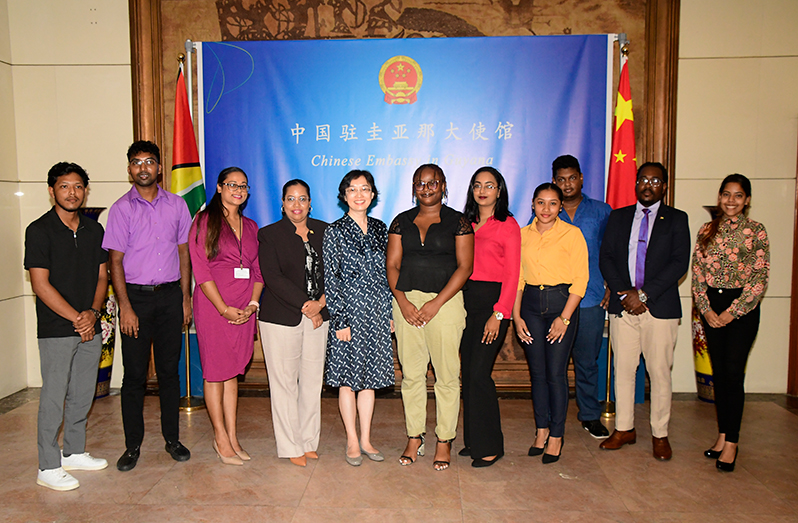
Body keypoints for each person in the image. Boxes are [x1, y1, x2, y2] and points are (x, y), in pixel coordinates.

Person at [103, 140, 193, 472]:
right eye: (137, 162)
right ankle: (132, 445)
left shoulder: (177, 205)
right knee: (135, 377)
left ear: (159, 167)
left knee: (170, 373)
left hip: (171, 297)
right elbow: (115, 262)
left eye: (150, 161)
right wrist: (124, 306)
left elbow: (184, 253)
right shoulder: (121, 209)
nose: (143, 168)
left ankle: (172, 439)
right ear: (129, 169)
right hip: (135, 300)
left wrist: (185, 298)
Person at [25, 162, 109, 491]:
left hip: (90, 323)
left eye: (77, 186)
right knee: (54, 395)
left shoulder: (94, 230)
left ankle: (73, 451)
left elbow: (102, 276)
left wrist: (91, 312)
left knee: (83, 393)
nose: (71, 192)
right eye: (64, 186)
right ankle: (47, 465)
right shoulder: (39, 230)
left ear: (85, 191)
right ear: (51, 191)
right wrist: (77, 318)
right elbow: (40, 284)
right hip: (58, 328)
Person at [599, 162, 690, 461]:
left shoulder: (677, 219)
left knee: (659, 372)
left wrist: (644, 294)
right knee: (623, 370)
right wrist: (625, 293)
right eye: (643, 180)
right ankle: (624, 429)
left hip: (659, 307)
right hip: (623, 306)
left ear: (664, 186)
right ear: (635, 183)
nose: (648, 185)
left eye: (655, 180)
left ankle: (659, 434)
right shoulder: (619, 217)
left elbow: (678, 263)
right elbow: (607, 258)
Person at [387, 163, 474, 471]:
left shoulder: (458, 222)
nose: (426, 188)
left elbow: (465, 267)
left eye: (432, 183)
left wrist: (437, 302)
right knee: (411, 375)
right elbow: (393, 265)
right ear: (414, 187)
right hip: (406, 302)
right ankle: (414, 437)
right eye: (420, 184)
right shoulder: (400, 222)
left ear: (443, 185)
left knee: (447, 377)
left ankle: (444, 440)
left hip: (446, 304)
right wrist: (403, 301)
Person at [692, 174, 769, 472]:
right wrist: (707, 309)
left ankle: (733, 443)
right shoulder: (707, 230)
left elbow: (759, 279)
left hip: (742, 310)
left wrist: (731, 313)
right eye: (726, 194)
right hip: (712, 306)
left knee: (734, 375)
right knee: (720, 373)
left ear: (747, 200)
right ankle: (722, 435)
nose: (731, 200)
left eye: (738, 195)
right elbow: (697, 274)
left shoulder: (756, 231)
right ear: (719, 196)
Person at [189, 167, 264, 466]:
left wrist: (253, 304)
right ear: (219, 188)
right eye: (231, 184)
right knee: (215, 373)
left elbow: (258, 271)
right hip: (213, 307)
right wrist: (223, 308)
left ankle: (233, 436)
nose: (238, 189)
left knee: (233, 373)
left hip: (245, 309)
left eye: (243, 185)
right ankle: (219, 437)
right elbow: (201, 269)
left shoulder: (252, 226)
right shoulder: (204, 221)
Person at [323, 170, 395, 466]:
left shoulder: (381, 228)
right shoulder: (334, 231)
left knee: (369, 380)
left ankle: (366, 438)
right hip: (348, 312)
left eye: (365, 189)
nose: (359, 195)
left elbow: (390, 273)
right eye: (352, 190)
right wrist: (340, 321)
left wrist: (389, 313)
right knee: (346, 380)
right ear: (344, 196)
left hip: (377, 310)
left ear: (373, 194)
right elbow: (331, 279)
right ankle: (352, 441)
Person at [514, 183, 588, 464]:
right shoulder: (522, 235)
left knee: (556, 373)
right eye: (541, 203)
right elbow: (518, 279)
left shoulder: (572, 234)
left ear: (560, 206)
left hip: (561, 304)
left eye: (553, 203)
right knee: (537, 373)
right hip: (530, 306)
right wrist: (517, 316)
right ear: (532, 204)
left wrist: (565, 318)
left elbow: (581, 280)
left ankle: (557, 435)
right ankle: (541, 430)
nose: (546, 209)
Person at [258, 179, 328, 467]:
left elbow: (336, 273)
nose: (297, 205)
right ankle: (290, 445)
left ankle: (309, 441)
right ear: (282, 203)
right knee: (285, 383)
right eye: (291, 199)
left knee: (312, 381)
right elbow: (272, 277)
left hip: (319, 316)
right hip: (280, 317)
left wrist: (320, 305)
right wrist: (305, 306)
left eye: (302, 199)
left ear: (310, 202)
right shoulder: (269, 234)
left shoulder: (325, 231)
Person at [458, 166, 520, 467]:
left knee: (480, 374)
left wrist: (499, 313)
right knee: (468, 373)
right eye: (478, 185)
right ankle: (474, 440)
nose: (483, 190)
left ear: (499, 190)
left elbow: (512, 274)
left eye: (490, 185)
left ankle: (491, 445)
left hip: (492, 306)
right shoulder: (465, 222)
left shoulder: (508, 224)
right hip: (464, 303)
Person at [549, 155, 612, 439]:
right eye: (561, 179)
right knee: (556, 363)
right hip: (554, 300)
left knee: (587, 361)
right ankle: (553, 416)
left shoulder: (601, 212)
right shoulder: (547, 211)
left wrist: (611, 285)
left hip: (591, 298)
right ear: (554, 182)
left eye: (572, 178)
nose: (567, 184)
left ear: (582, 178)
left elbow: (611, 253)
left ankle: (589, 415)